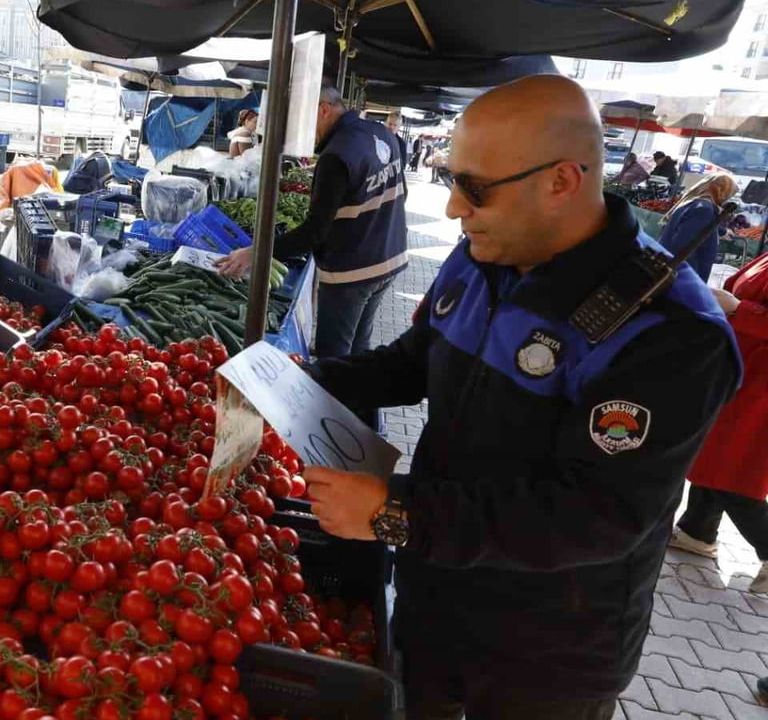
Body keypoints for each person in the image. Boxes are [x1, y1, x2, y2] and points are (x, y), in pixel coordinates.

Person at [301, 75, 740, 719]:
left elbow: (595, 515)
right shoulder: (482, 256)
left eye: (473, 188)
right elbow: (410, 363)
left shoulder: (670, 333)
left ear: (561, 181)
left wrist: (395, 514)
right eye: (452, 180)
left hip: (547, 651)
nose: (453, 208)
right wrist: (299, 379)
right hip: (436, 595)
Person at [216, 85, 408, 359]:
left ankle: (335, 400)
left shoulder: (336, 155)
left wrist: (255, 253)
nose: (303, 131)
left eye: (304, 120)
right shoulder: (381, 133)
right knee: (360, 351)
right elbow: (401, 194)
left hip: (352, 272)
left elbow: (314, 233)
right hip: (390, 258)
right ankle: (361, 403)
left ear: (323, 110)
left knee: (335, 359)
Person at [668, 249, 768, 594]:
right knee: (713, 456)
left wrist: (739, 309)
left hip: (761, 387)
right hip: (743, 371)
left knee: (734, 472)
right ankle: (698, 531)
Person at [656, 173, 737, 283]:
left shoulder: (695, 203)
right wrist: (692, 281)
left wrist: (722, 231)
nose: (726, 199)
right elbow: (683, 245)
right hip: (679, 278)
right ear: (721, 191)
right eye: (728, 195)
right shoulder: (704, 209)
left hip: (669, 271)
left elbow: (696, 227)